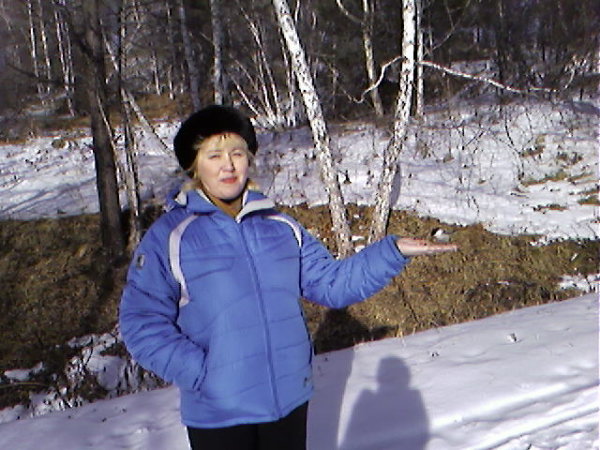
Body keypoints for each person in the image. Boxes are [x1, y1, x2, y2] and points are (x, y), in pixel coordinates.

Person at [119, 105, 457, 450]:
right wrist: (204, 374)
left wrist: (393, 251)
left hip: (288, 402)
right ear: (194, 165)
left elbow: (332, 284)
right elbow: (140, 322)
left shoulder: (280, 227)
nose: (228, 165)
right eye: (214, 155)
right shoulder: (171, 236)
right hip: (220, 412)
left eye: (237, 153)